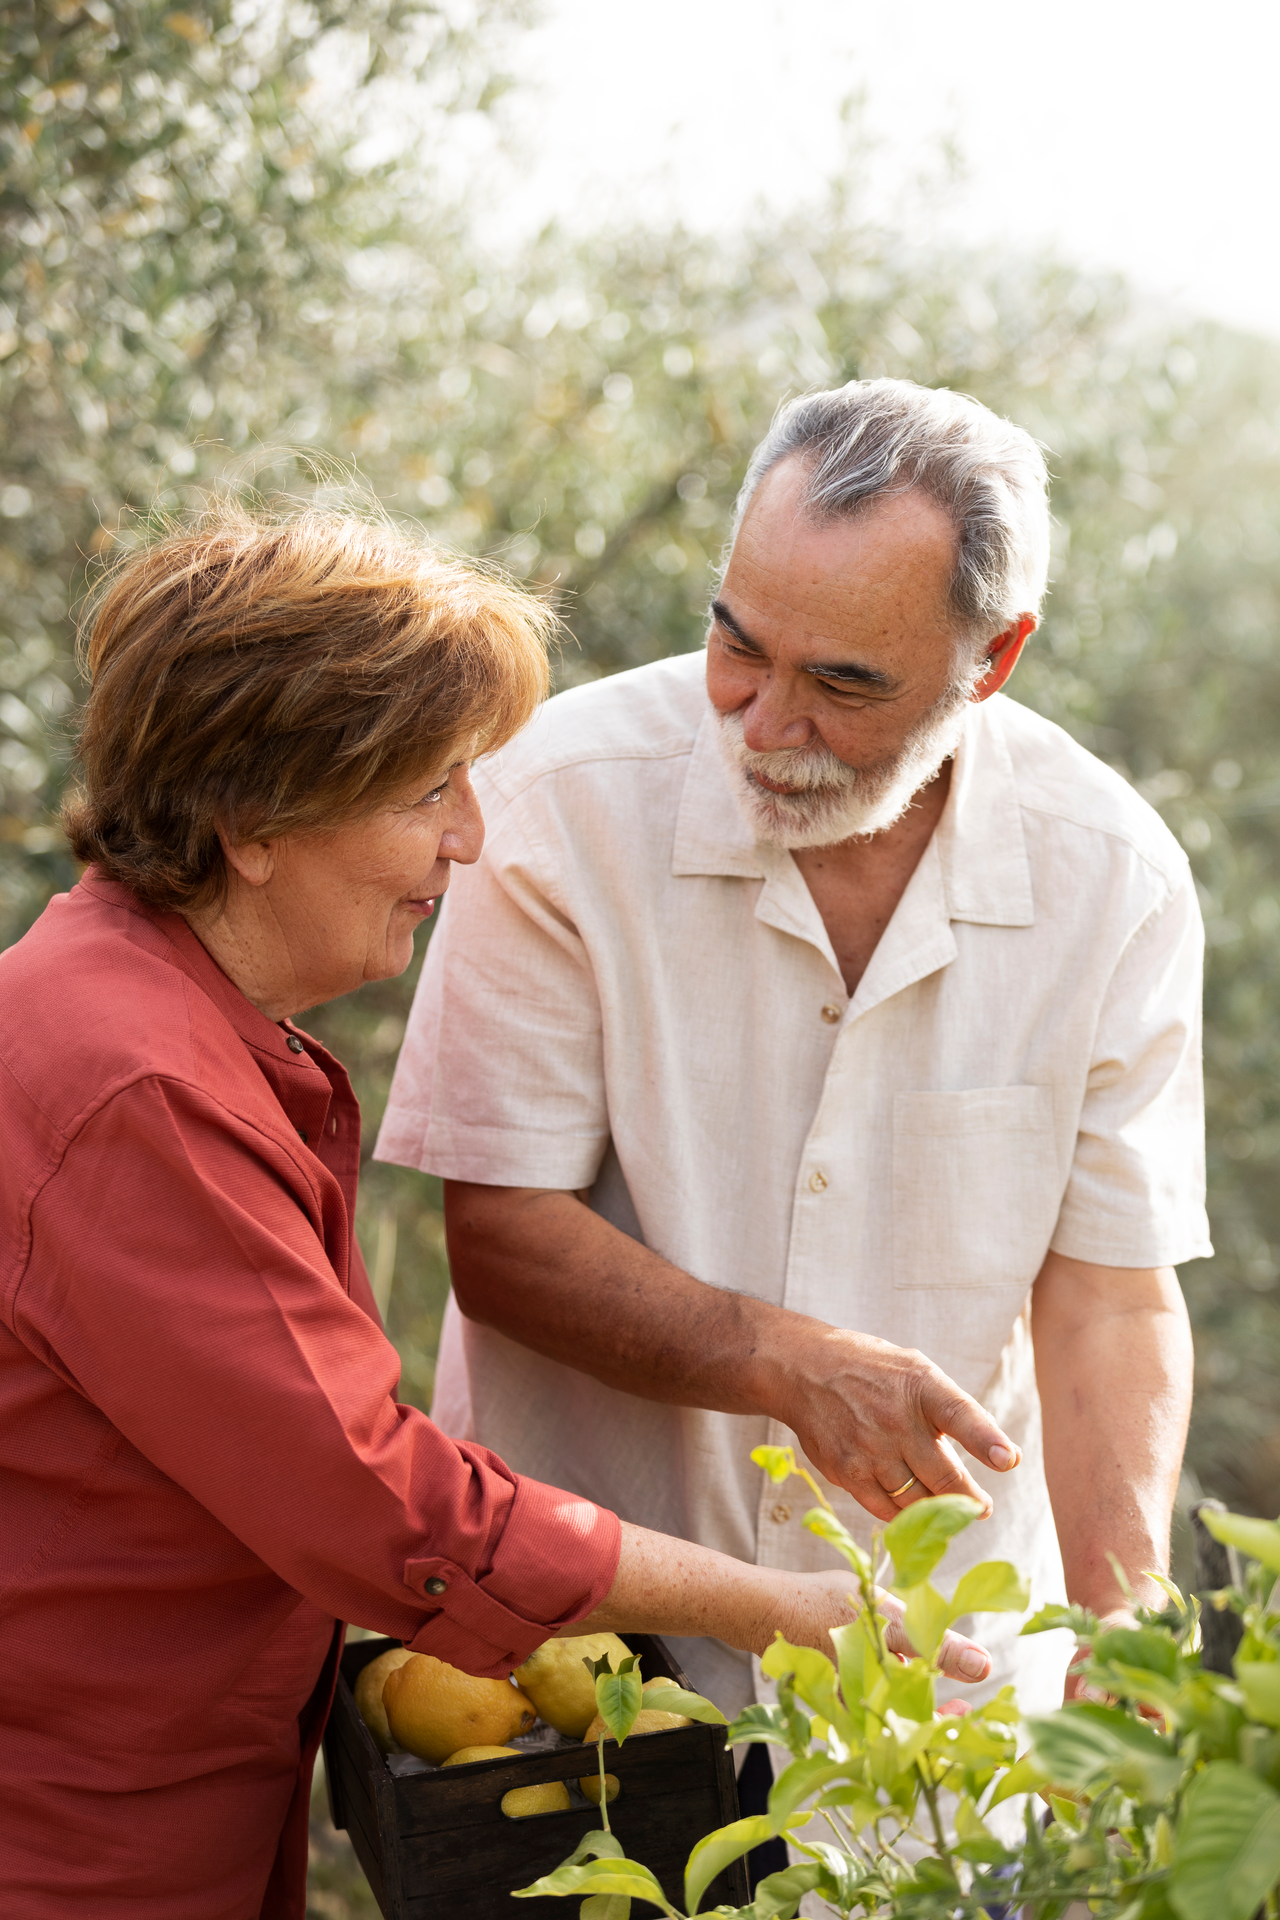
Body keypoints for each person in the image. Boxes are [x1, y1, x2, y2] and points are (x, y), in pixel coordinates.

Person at [0, 505, 991, 1920]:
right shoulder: (131, 1083)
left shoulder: (145, 1019)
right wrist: (775, 1606)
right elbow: (374, 1494)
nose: (469, 838)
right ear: (252, 818)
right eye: (426, 793)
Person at [377, 378, 1207, 1745]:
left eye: (843, 685)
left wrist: (1125, 1645)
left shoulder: (1114, 879)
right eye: (738, 643)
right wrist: (784, 1360)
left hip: (945, 1681)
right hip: (575, 1672)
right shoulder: (551, 802)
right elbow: (503, 1241)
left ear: (990, 664)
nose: (762, 723)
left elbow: (1113, 1296)